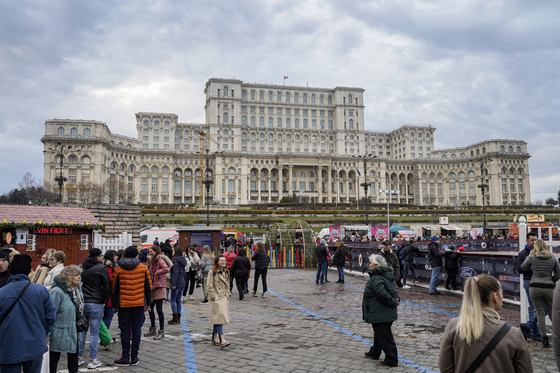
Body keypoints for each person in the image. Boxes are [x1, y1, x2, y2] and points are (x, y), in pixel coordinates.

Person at [438, 274, 532, 372]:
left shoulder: (454, 326)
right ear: (495, 296)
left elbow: (445, 368)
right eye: (501, 293)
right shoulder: (514, 335)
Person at [0, 254, 56, 373]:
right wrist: (42, 332)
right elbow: (51, 317)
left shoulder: (2, 292)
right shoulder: (40, 290)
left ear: (11, 271)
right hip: (34, 344)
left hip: (8, 345)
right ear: (28, 271)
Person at [112, 246, 152, 367]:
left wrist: (114, 304)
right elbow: (148, 287)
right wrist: (148, 303)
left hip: (124, 304)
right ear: (136, 255)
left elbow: (114, 288)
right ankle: (134, 356)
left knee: (124, 330)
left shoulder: (118, 267)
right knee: (136, 329)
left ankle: (125, 356)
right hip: (139, 303)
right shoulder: (143, 267)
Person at [521, 239, 560, 348]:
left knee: (540, 313)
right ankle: (558, 335)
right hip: (548, 287)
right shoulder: (553, 258)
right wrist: (551, 279)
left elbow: (523, 267)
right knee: (552, 312)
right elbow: (558, 273)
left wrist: (529, 255)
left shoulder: (532, 257)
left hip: (534, 286)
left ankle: (544, 339)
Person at [362, 254, 400, 367]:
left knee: (385, 336)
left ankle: (391, 359)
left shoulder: (376, 278)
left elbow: (382, 294)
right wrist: (396, 299)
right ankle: (374, 353)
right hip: (385, 312)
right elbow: (394, 290)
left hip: (380, 312)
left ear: (376, 266)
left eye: (371, 264)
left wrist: (394, 302)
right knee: (379, 334)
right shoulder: (387, 275)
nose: (369, 265)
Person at [78, 248, 111, 369]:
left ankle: (78, 357)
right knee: (94, 333)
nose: (102, 258)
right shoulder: (101, 268)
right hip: (96, 302)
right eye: (101, 256)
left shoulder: (80, 267)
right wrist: (104, 300)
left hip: (83, 302)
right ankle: (93, 359)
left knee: (81, 330)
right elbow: (107, 286)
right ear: (97, 257)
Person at [48, 265, 83, 373]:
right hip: (58, 330)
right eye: (76, 275)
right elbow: (50, 313)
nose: (79, 277)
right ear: (68, 277)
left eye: (79, 275)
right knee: (54, 359)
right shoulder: (57, 291)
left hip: (73, 329)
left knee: (73, 358)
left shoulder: (77, 289)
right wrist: (47, 334)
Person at [517, 231, 544, 342]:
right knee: (534, 308)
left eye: (535, 240)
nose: (534, 242)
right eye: (532, 240)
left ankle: (527, 326)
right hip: (529, 282)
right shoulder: (523, 254)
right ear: (527, 241)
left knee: (543, 308)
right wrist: (530, 261)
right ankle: (535, 333)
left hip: (541, 282)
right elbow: (520, 270)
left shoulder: (542, 252)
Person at [144, 245, 169, 340]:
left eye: (152, 251)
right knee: (150, 308)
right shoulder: (153, 261)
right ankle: (153, 328)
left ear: (156, 251)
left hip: (159, 287)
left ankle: (161, 331)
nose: (150, 253)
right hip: (153, 287)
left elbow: (166, 269)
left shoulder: (160, 260)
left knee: (159, 310)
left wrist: (156, 273)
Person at [207, 254, 231, 348]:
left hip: (223, 297)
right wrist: (213, 297)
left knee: (217, 318)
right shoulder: (212, 272)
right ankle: (222, 339)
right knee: (220, 317)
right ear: (217, 262)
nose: (223, 262)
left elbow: (228, 284)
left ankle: (214, 337)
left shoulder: (225, 271)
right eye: (221, 260)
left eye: (224, 260)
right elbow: (209, 286)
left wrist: (228, 294)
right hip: (216, 298)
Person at [168, 247, 186, 324]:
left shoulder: (175, 260)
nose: (172, 252)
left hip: (177, 282)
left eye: (173, 251)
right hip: (182, 282)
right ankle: (178, 317)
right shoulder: (183, 260)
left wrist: (174, 284)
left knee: (173, 300)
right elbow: (184, 273)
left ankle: (175, 318)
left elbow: (175, 273)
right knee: (178, 301)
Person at [102, 250, 118, 330]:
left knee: (106, 317)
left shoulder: (104, 268)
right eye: (115, 256)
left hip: (106, 296)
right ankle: (105, 337)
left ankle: (104, 336)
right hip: (110, 297)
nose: (117, 257)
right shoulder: (109, 270)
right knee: (108, 317)